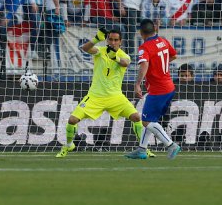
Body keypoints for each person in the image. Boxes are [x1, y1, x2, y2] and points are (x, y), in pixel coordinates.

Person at [56, 27, 155, 158]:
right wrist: (96, 38)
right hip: (95, 96)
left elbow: (125, 63)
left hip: (115, 97)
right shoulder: (100, 51)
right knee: (72, 120)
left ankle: (143, 148)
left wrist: (115, 58)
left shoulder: (124, 56)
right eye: (110, 39)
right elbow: (84, 49)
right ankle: (69, 146)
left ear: (120, 42)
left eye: (116, 40)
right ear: (107, 40)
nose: (113, 43)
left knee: (137, 117)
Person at [126, 19, 181, 160]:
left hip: (158, 89)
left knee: (146, 121)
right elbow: (174, 55)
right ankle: (142, 149)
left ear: (141, 32)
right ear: (154, 29)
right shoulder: (163, 41)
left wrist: (137, 84)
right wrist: (158, 65)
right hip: (168, 86)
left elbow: (143, 65)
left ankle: (170, 145)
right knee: (149, 119)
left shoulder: (145, 47)